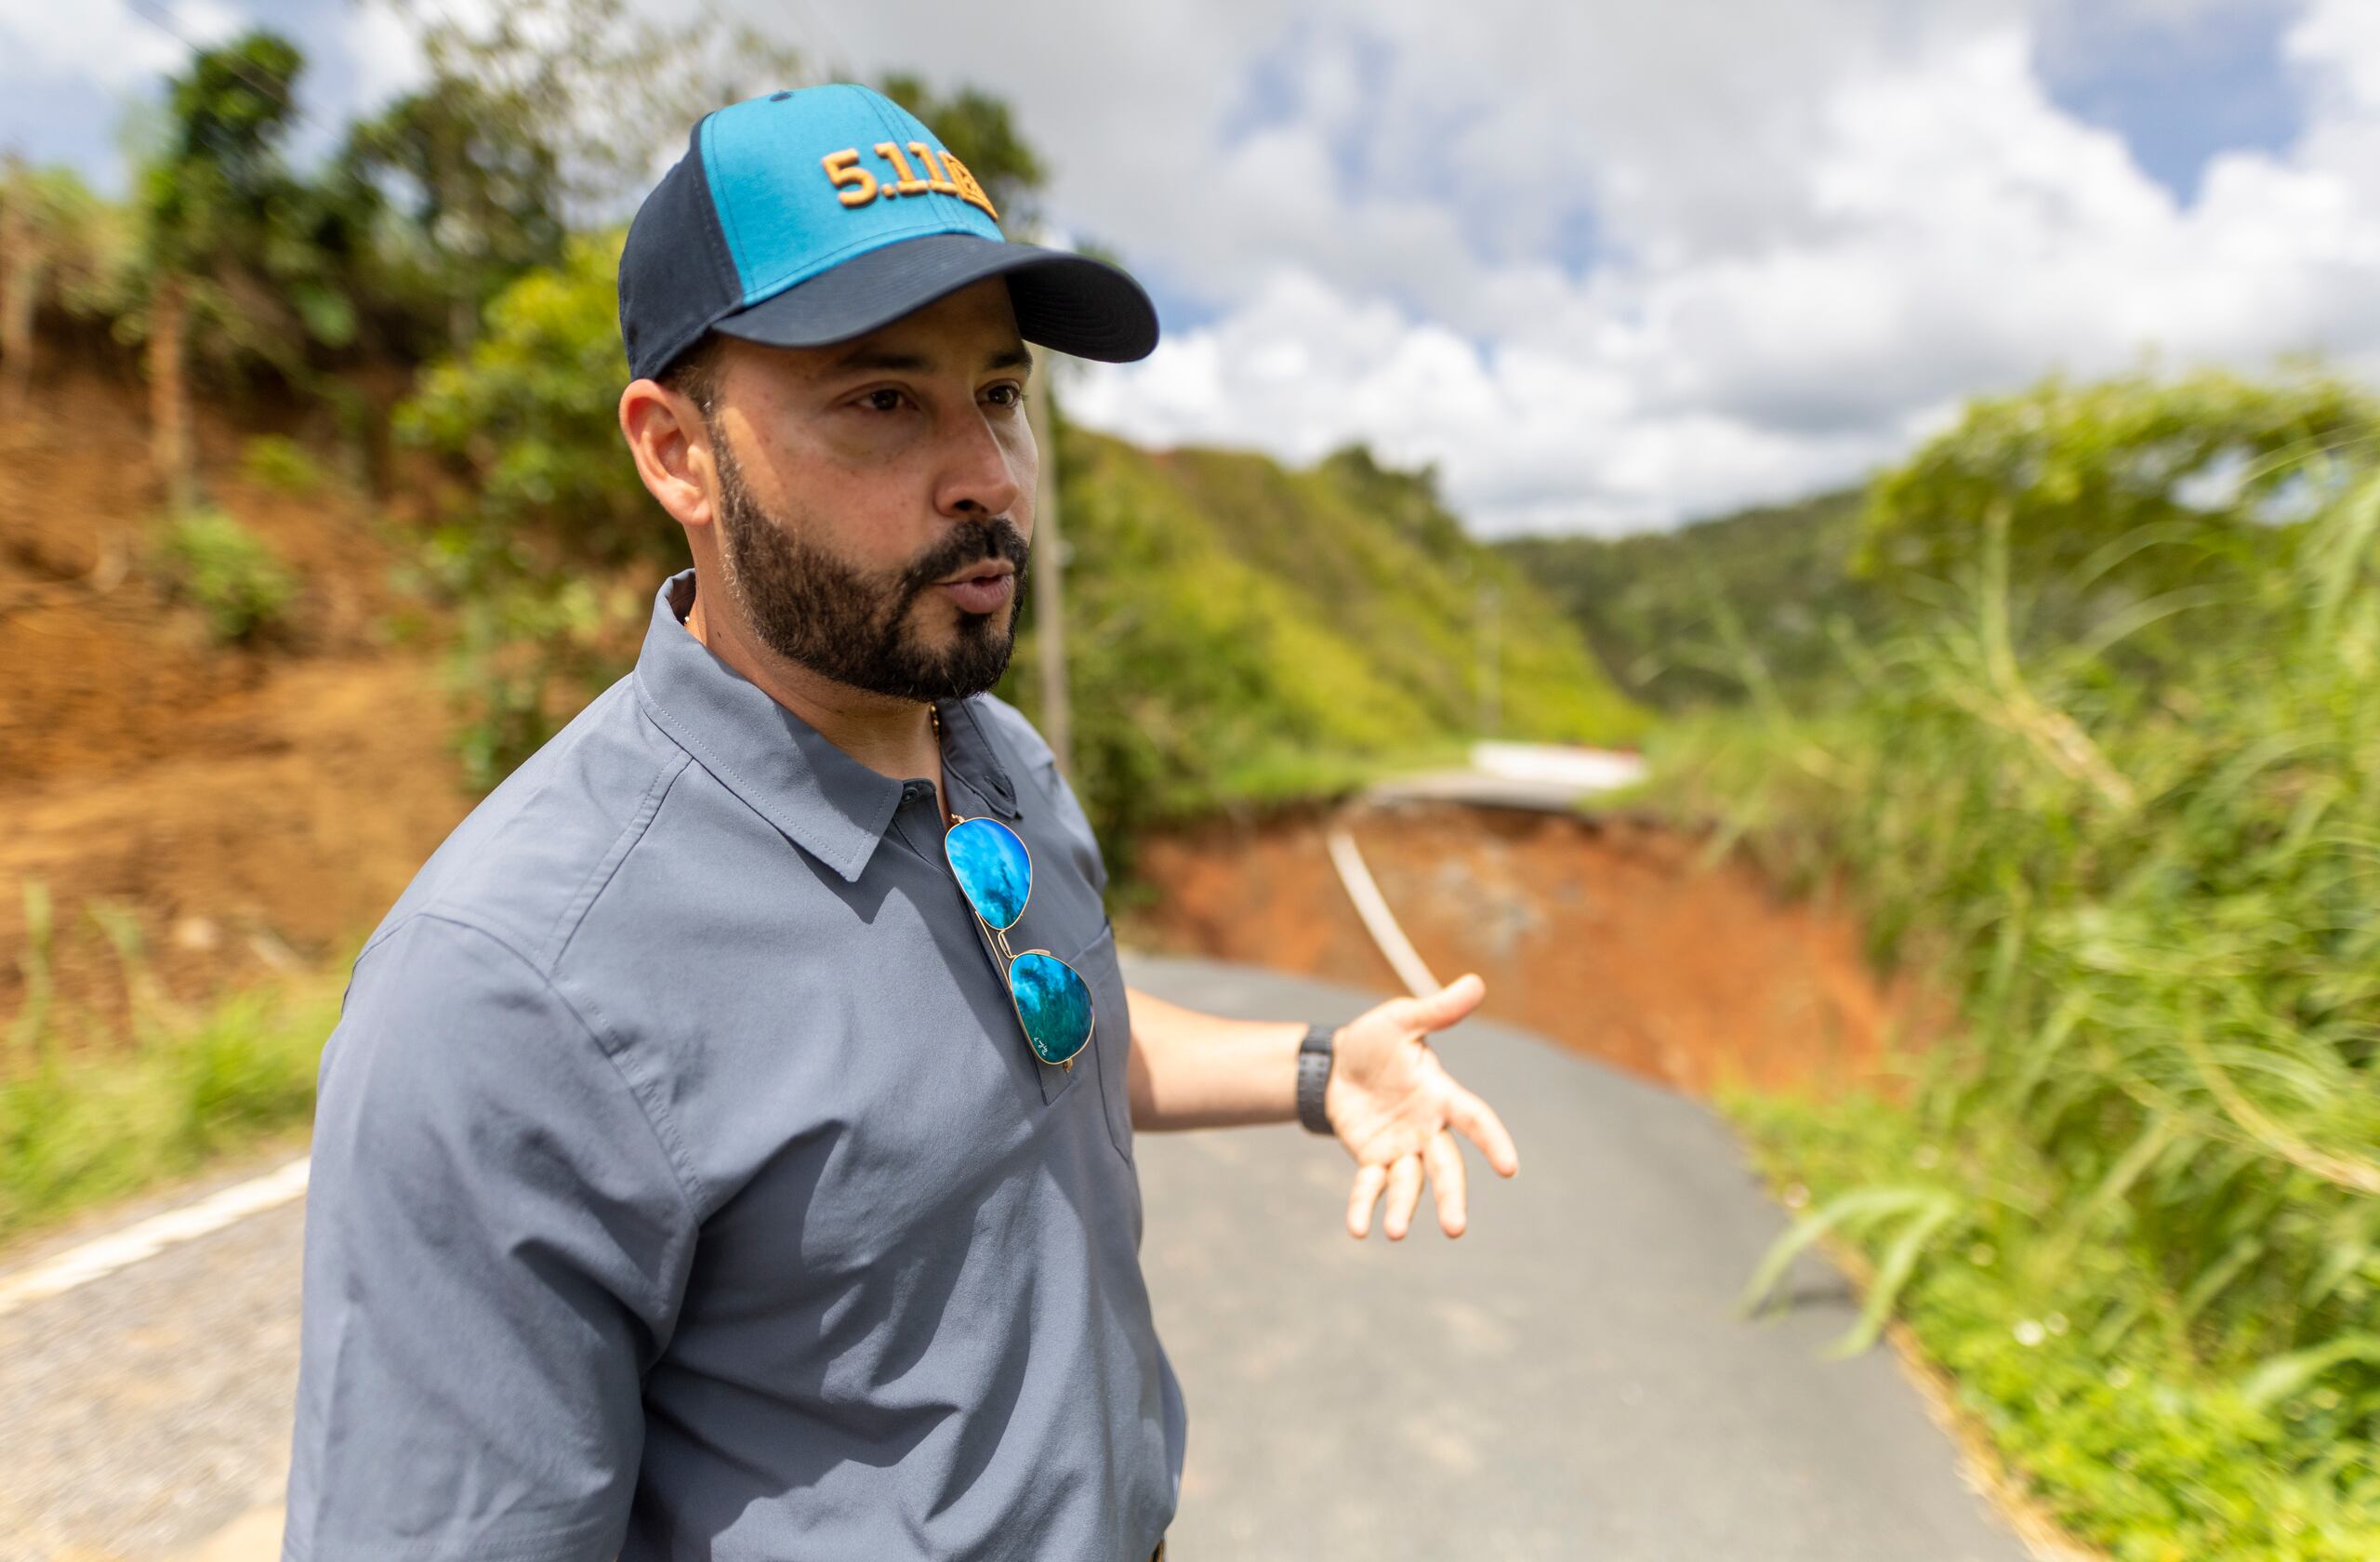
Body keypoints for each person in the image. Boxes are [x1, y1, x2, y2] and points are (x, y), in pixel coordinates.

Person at [280, 83, 1519, 1562]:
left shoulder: (998, 759)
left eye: (999, 394)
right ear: (678, 452)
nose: (988, 476)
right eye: (882, 400)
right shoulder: (507, 992)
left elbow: (1044, 1043)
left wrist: (1317, 1069)